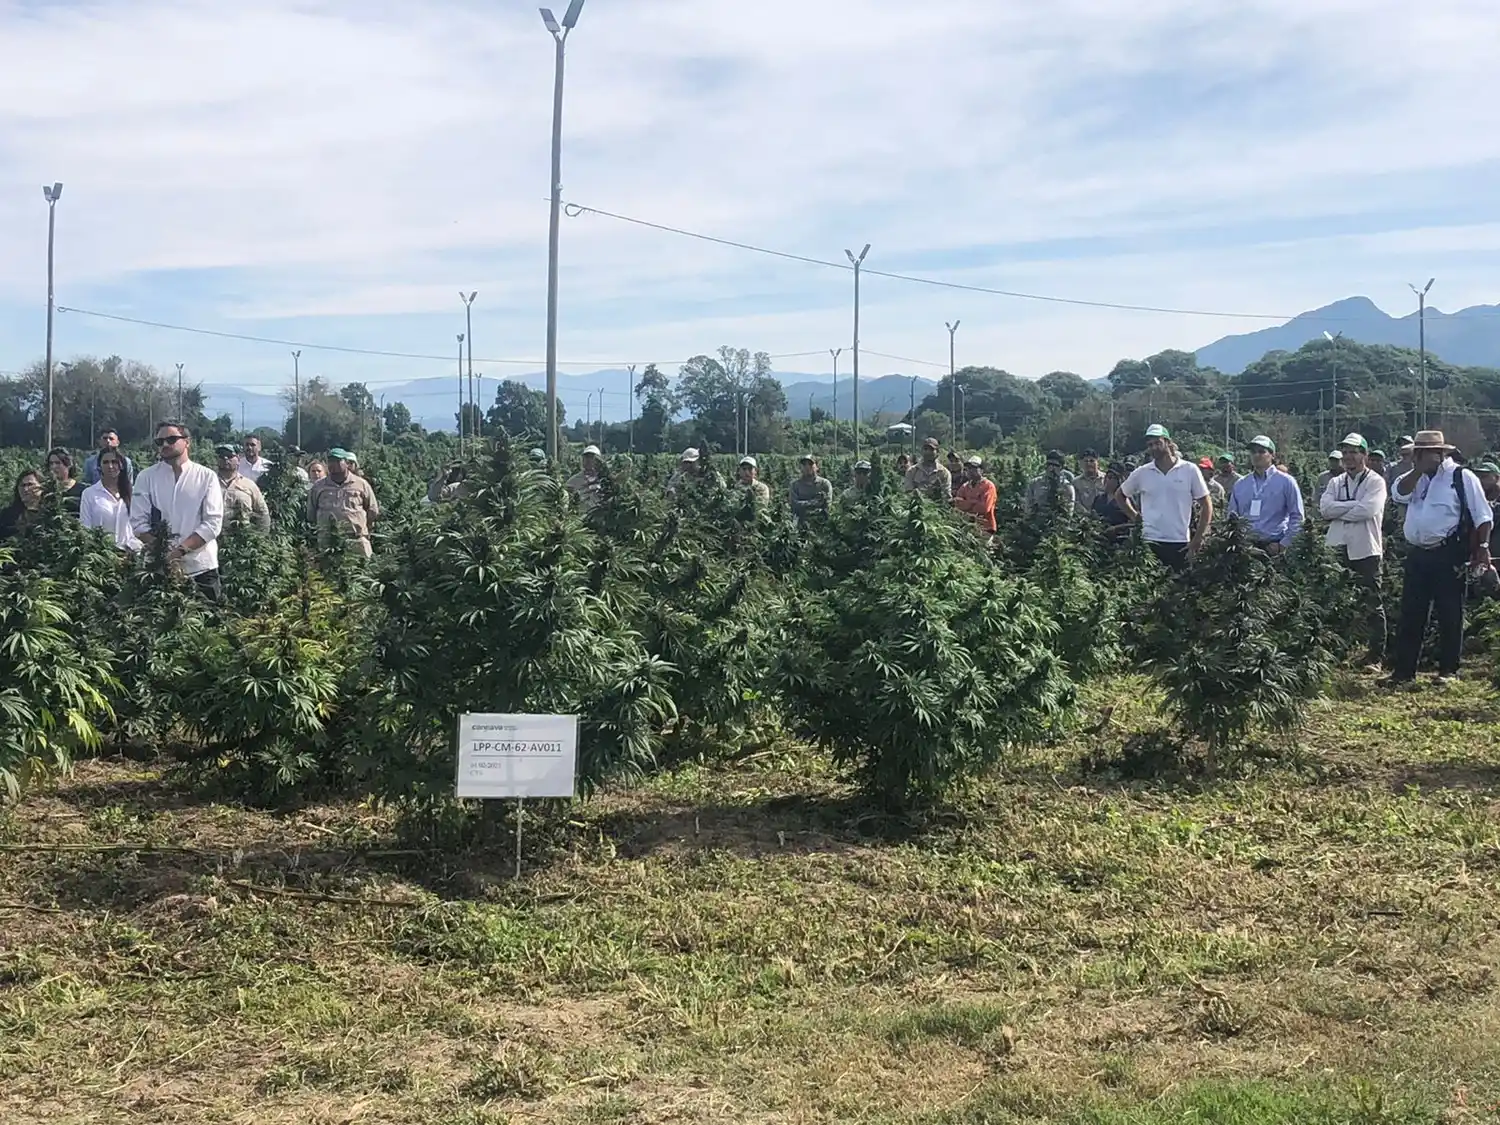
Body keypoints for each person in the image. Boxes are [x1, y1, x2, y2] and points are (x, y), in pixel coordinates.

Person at [1387, 430, 1492, 685]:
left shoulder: (1461, 476)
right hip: (1417, 554)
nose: (1420, 458)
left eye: (1426, 453)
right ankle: (1404, 673)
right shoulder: (1416, 478)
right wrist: (1417, 471)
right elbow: (1398, 493)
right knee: (1412, 613)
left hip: (1448, 552)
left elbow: (1483, 516)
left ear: (1441, 453)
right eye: (1417, 453)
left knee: (1449, 613)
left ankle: (1449, 671)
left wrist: (1483, 547)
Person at [130, 421, 225, 601]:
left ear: (187, 441)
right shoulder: (146, 477)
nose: (165, 445)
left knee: (209, 624)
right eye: (160, 442)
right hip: (158, 567)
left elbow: (213, 523)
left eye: (171, 439)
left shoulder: (206, 476)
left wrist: (179, 551)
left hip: (201, 567)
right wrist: (163, 552)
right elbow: (138, 523)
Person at [1319, 433, 1388, 667]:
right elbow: (1324, 509)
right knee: (1335, 600)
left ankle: (1375, 656)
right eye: (1345, 452)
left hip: (1366, 549)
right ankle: (1338, 652)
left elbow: (1368, 511)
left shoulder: (1375, 482)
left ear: (1364, 455)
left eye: (1354, 452)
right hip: (1337, 546)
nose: (1348, 457)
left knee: (1371, 602)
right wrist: (1351, 507)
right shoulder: (1335, 482)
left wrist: (1340, 510)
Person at [1119, 424, 1211, 570]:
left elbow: (1206, 504)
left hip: (1179, 541)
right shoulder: (1142, 472)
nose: (1154, 448)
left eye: (1158, 443)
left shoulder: (1189, 470)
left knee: (1177, 588)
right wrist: (1135, 517)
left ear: (1168, 442)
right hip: (1149, 541)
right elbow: (1120, 495)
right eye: (1150, 445)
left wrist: (1198, 538)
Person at [1227, 436, 1303, 556]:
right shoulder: (1240, 485)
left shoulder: (1286, 482)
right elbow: (1232, 517)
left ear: (1272, 455)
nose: (1257, 455)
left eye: (1262, 451)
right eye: (1253, 452)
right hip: (1246, 549)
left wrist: (1284, 544)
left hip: (1273, 547)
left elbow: (1297, 516)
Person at [307, 448, 380, 557]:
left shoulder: (361, 484)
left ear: (346, 463)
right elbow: (311, 513)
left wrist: (362, 527)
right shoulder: (319, 486)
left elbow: (372, 510)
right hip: (328, 541)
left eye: (337, 461)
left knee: (361, 570)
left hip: (356, 539)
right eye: (330, 461)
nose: (333, 465)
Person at [79, 448, 142, 551]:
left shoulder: (134, 493)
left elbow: (139, 527)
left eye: (114, 462)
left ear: (121, 465)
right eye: (106, 462)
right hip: (101, 555)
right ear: (99, 466)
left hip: (130, 554)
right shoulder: (89, 494)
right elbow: (85, 528)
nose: (110, 466)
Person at [214, 444, 272, 532]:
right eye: (221, 456)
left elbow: (263, 513)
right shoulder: (209, 483)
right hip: (213, 537)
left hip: (242, 537)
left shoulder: (249, 485)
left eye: (230, 456)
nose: (225, 459)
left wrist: (261, 537)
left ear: (238, 459)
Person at [953, 455, 998, 537]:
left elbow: (984, 508)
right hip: (967, 527)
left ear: (981, 470)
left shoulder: (988, 486)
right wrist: (974, 502)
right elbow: (957, 504)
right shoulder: (965, 486)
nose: (970, 471)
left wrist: (966, 504)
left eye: (974, 468)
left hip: (985, 528)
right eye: (968, 468)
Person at [1025, 450, 1077, 514]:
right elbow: (1028, 507)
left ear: (1061, 467)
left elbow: (1069, 512)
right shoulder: (1035, 483)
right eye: (1049, 464)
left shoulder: (1067, 487)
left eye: (1055, 465)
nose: (1051, 468)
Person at [1091, 462, 1133, 539]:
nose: (1106, 480)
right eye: (1106, 476)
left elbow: (1135, 522)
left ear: (1119, 480)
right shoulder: (1099, 498)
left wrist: (1117, 528)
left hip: (1119, 541)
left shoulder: (1127, 500)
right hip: (1098, 539)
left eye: (1110, 477)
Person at [0, 470, 43, 540]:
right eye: (22, 485)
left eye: (30, 484)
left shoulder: (50, 512)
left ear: (41, 487)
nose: (25, 489)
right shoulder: (6, 515)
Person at [788, 454, 833, 521]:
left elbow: (827, 505)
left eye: (810, 464)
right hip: (801, 520)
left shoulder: (824, 484)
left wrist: (803, 504)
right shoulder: (795, 485)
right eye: (804, 464)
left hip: (820, 521)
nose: (807, 467)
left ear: (817, 467)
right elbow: (794, 505)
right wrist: (814, 502)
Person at [565, 445, 605, 512]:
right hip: (580, 517)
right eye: (586, 457)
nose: (588, 460)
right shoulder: (573, 481)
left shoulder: (605, 480)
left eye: (592, 457)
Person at [1071, 449, 1106, 513]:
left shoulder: (1106, 479)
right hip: (1085, 518)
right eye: (1086, 461)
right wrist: (1088, 515)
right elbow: (1076, 503)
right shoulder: (1076, 482)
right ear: (1082, 463)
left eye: (1092, 461)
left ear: (1097, 462)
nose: (1088, 463)